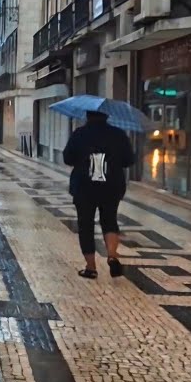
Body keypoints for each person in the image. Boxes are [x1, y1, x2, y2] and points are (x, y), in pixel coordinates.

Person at [63, 110, 135, 279]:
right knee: (110, 220)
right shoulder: (118, 134)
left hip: (84, 186)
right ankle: (111, 254)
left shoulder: (79, 134)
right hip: (112, 185)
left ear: (87, 117)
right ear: (107, 116)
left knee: (85, 224)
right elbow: (129, 160)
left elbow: (68, 158)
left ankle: (91, 267)